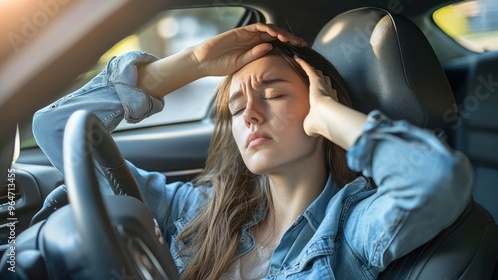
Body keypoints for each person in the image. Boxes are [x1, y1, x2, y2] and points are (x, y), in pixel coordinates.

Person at [33, 23, 472, 279]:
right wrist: (195, 62)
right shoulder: (198, 211)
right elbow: (54, 128)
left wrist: (327, 116)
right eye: (237, 106)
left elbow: (436, 180)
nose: (250, 116)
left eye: (275, 94)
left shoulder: (350, 229)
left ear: (323, 101)